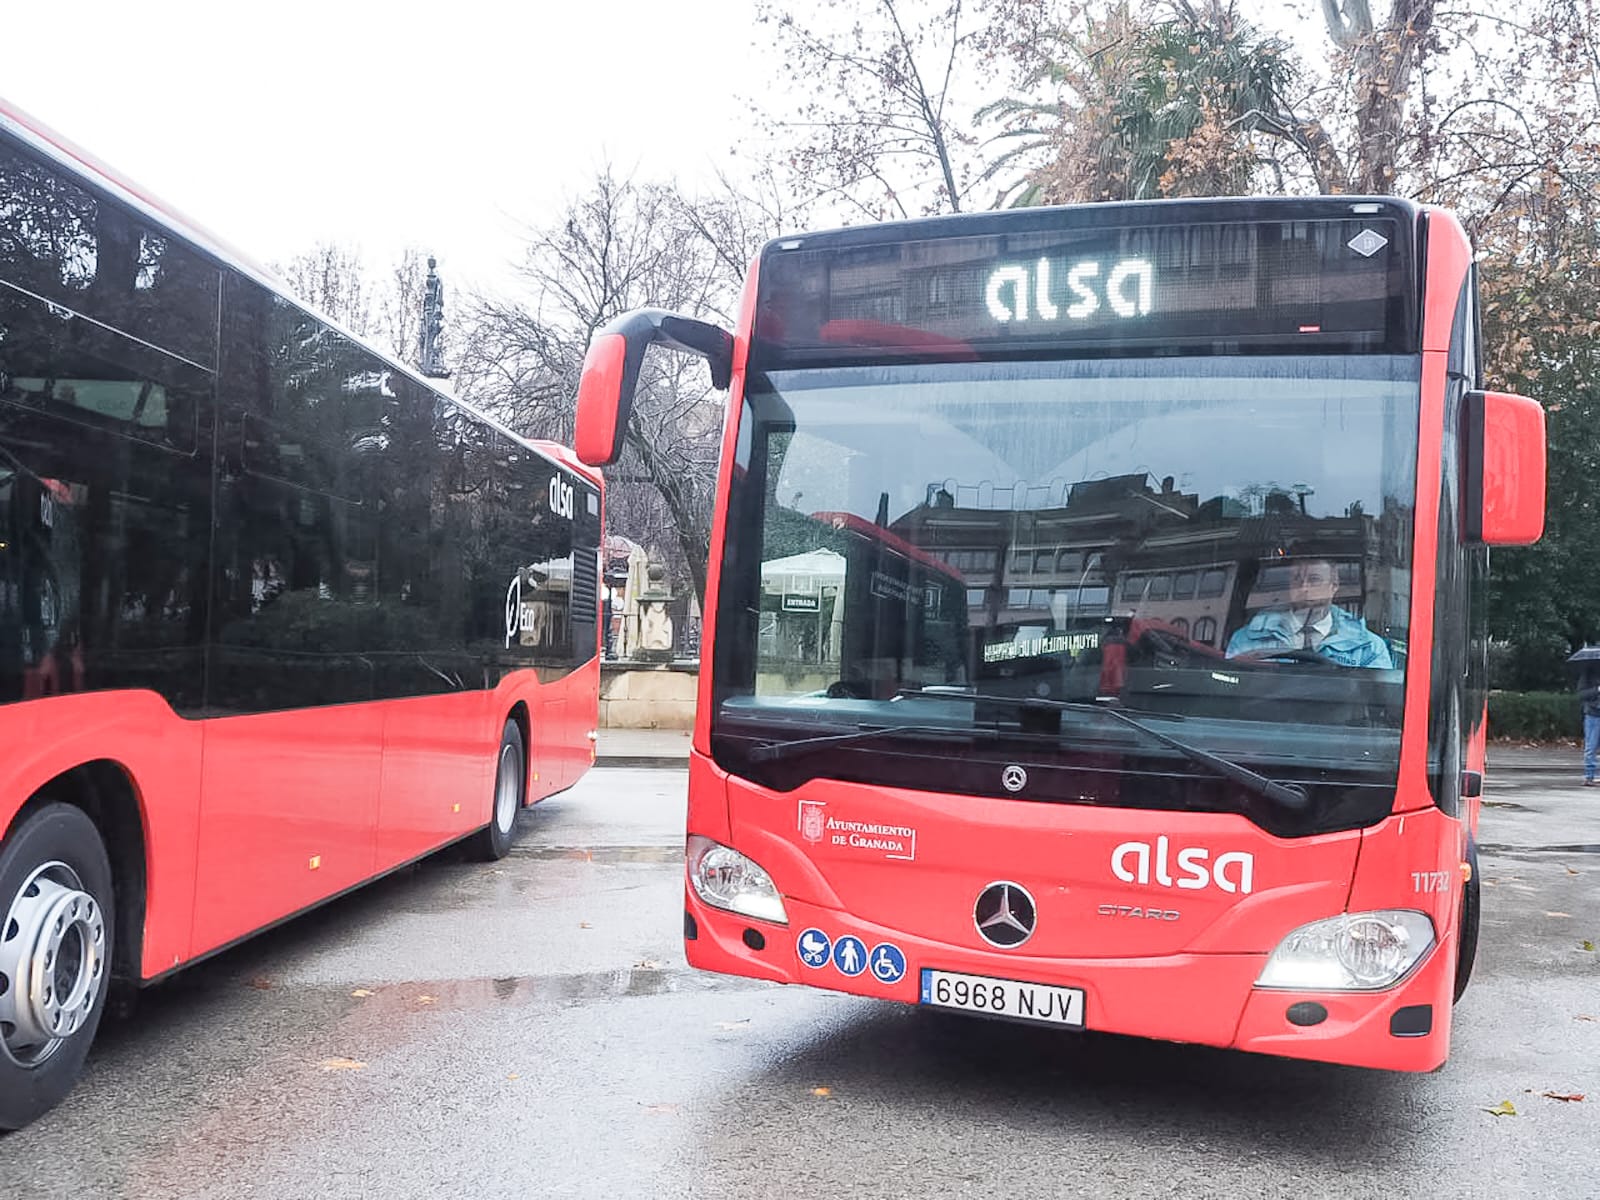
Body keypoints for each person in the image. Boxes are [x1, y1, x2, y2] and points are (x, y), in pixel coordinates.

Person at [1226, 557, 1393, 668]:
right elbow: (1230, 693)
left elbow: (1377, 706)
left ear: (1333, 586)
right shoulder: (1247, 639)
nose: (1304, 588)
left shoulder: (1367, 647)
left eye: (1314, 580)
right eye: (1296, 579)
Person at [1579, 665, 1600, 786]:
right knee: (1591, 746)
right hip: (1593, 714)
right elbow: (1582, 694)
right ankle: (1589, 776)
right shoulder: (1588, 673)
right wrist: (1597, 689)